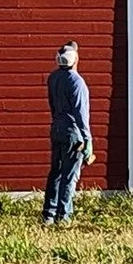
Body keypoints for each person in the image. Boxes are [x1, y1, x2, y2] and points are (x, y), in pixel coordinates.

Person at [42, 40, 94, 225]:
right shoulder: (77, 82)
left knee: (55, 172)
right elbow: (81, 113)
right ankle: (63, 217)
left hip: (57, 129)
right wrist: (87, 140)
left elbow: (53, 106)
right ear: (75, 60)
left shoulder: (53, 78)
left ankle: (49, 213)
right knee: (69, 175)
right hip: (73, 133)